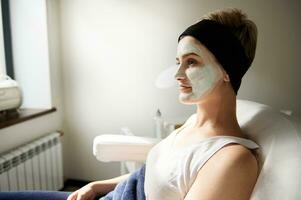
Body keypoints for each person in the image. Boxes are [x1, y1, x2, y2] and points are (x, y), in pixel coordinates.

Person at [0, 8, 259, 200]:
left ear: (228, 71)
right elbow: (155, 174)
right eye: (178, 61)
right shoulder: (192, 123)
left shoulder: (231, 160)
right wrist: (98, 185)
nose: (177, 74)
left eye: (191, 62)